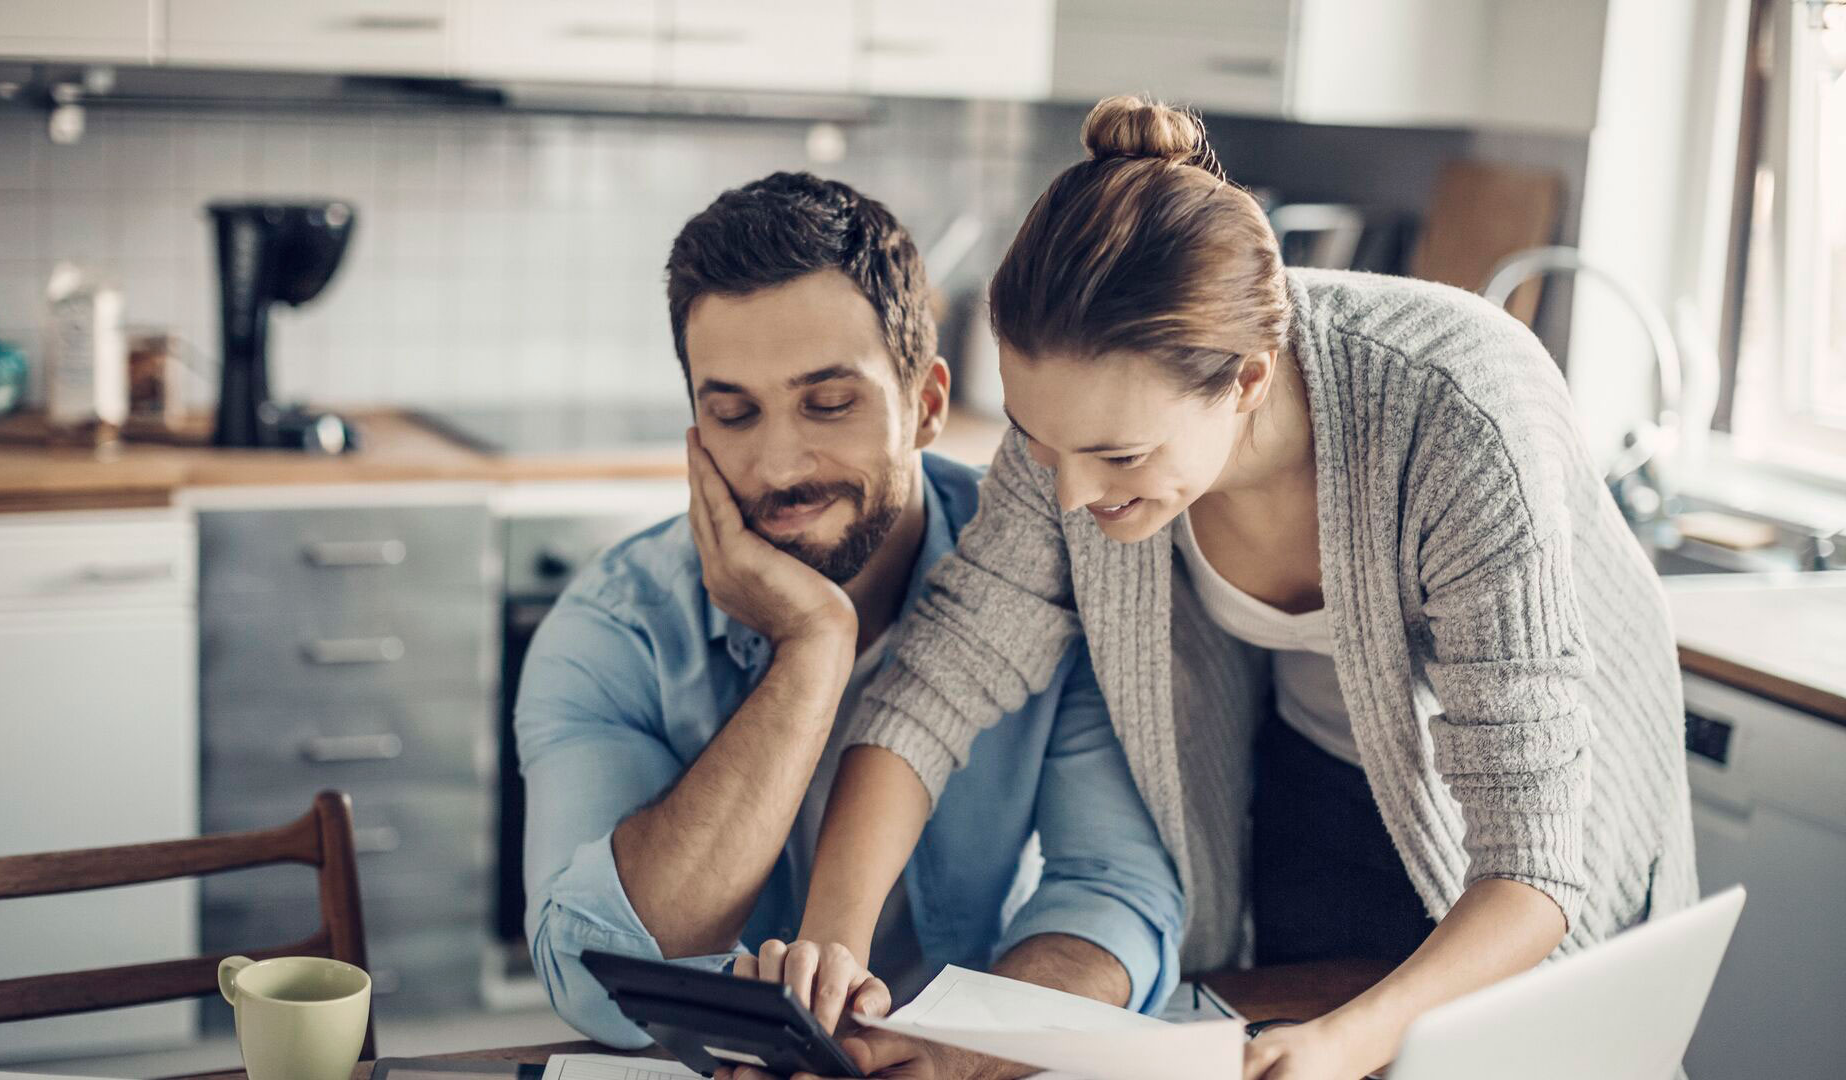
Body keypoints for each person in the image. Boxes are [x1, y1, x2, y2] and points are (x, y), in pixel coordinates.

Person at [783, 99, 1699, 1080]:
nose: (1072, 494)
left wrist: (1349, 1040)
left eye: (1119, 455)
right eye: (1040, 442)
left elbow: (1533, 863)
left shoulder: (1458, 415)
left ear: (1251, 382)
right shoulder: (1078, 426)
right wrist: (830, 954)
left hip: (1530, 835)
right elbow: (940, 680)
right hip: (1315, 783)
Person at [514, 171, 1185, 1077]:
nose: (781, 462)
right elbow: (593, 977)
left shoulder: (1049, 586)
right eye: (733, 413)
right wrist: (812, 650)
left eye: (829, 404)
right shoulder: (613, 631)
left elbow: (1114, 898)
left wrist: (964, 1048)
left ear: (929, 405)